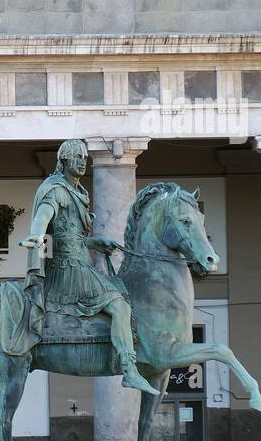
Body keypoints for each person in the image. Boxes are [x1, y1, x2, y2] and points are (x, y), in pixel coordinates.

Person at [16, 138, 158, 396]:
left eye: (84, 158)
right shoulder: (56, 190)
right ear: (64, 161)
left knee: (121, 298)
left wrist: (94, 243)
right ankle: (129, 370)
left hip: (81, 262)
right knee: (120, 307)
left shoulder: (80, 193)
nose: (82, 163)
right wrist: (36, 235)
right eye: (76, 158)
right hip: (68, 270)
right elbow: (43, 216)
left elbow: (73, 237)